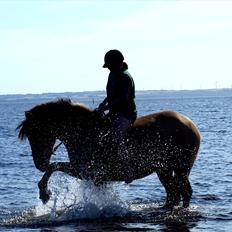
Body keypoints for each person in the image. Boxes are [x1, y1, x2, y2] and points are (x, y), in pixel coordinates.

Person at [98, 49, 137, 140]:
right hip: (114, 112)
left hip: (126, 114)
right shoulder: (112, 74)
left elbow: (123, 98)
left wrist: (107, 107)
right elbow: (111, 95)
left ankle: (120, 153)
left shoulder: (125, 77)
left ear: (116, 63)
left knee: (115, 137)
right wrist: (103, 103)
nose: (108, 68)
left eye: (109, 66)